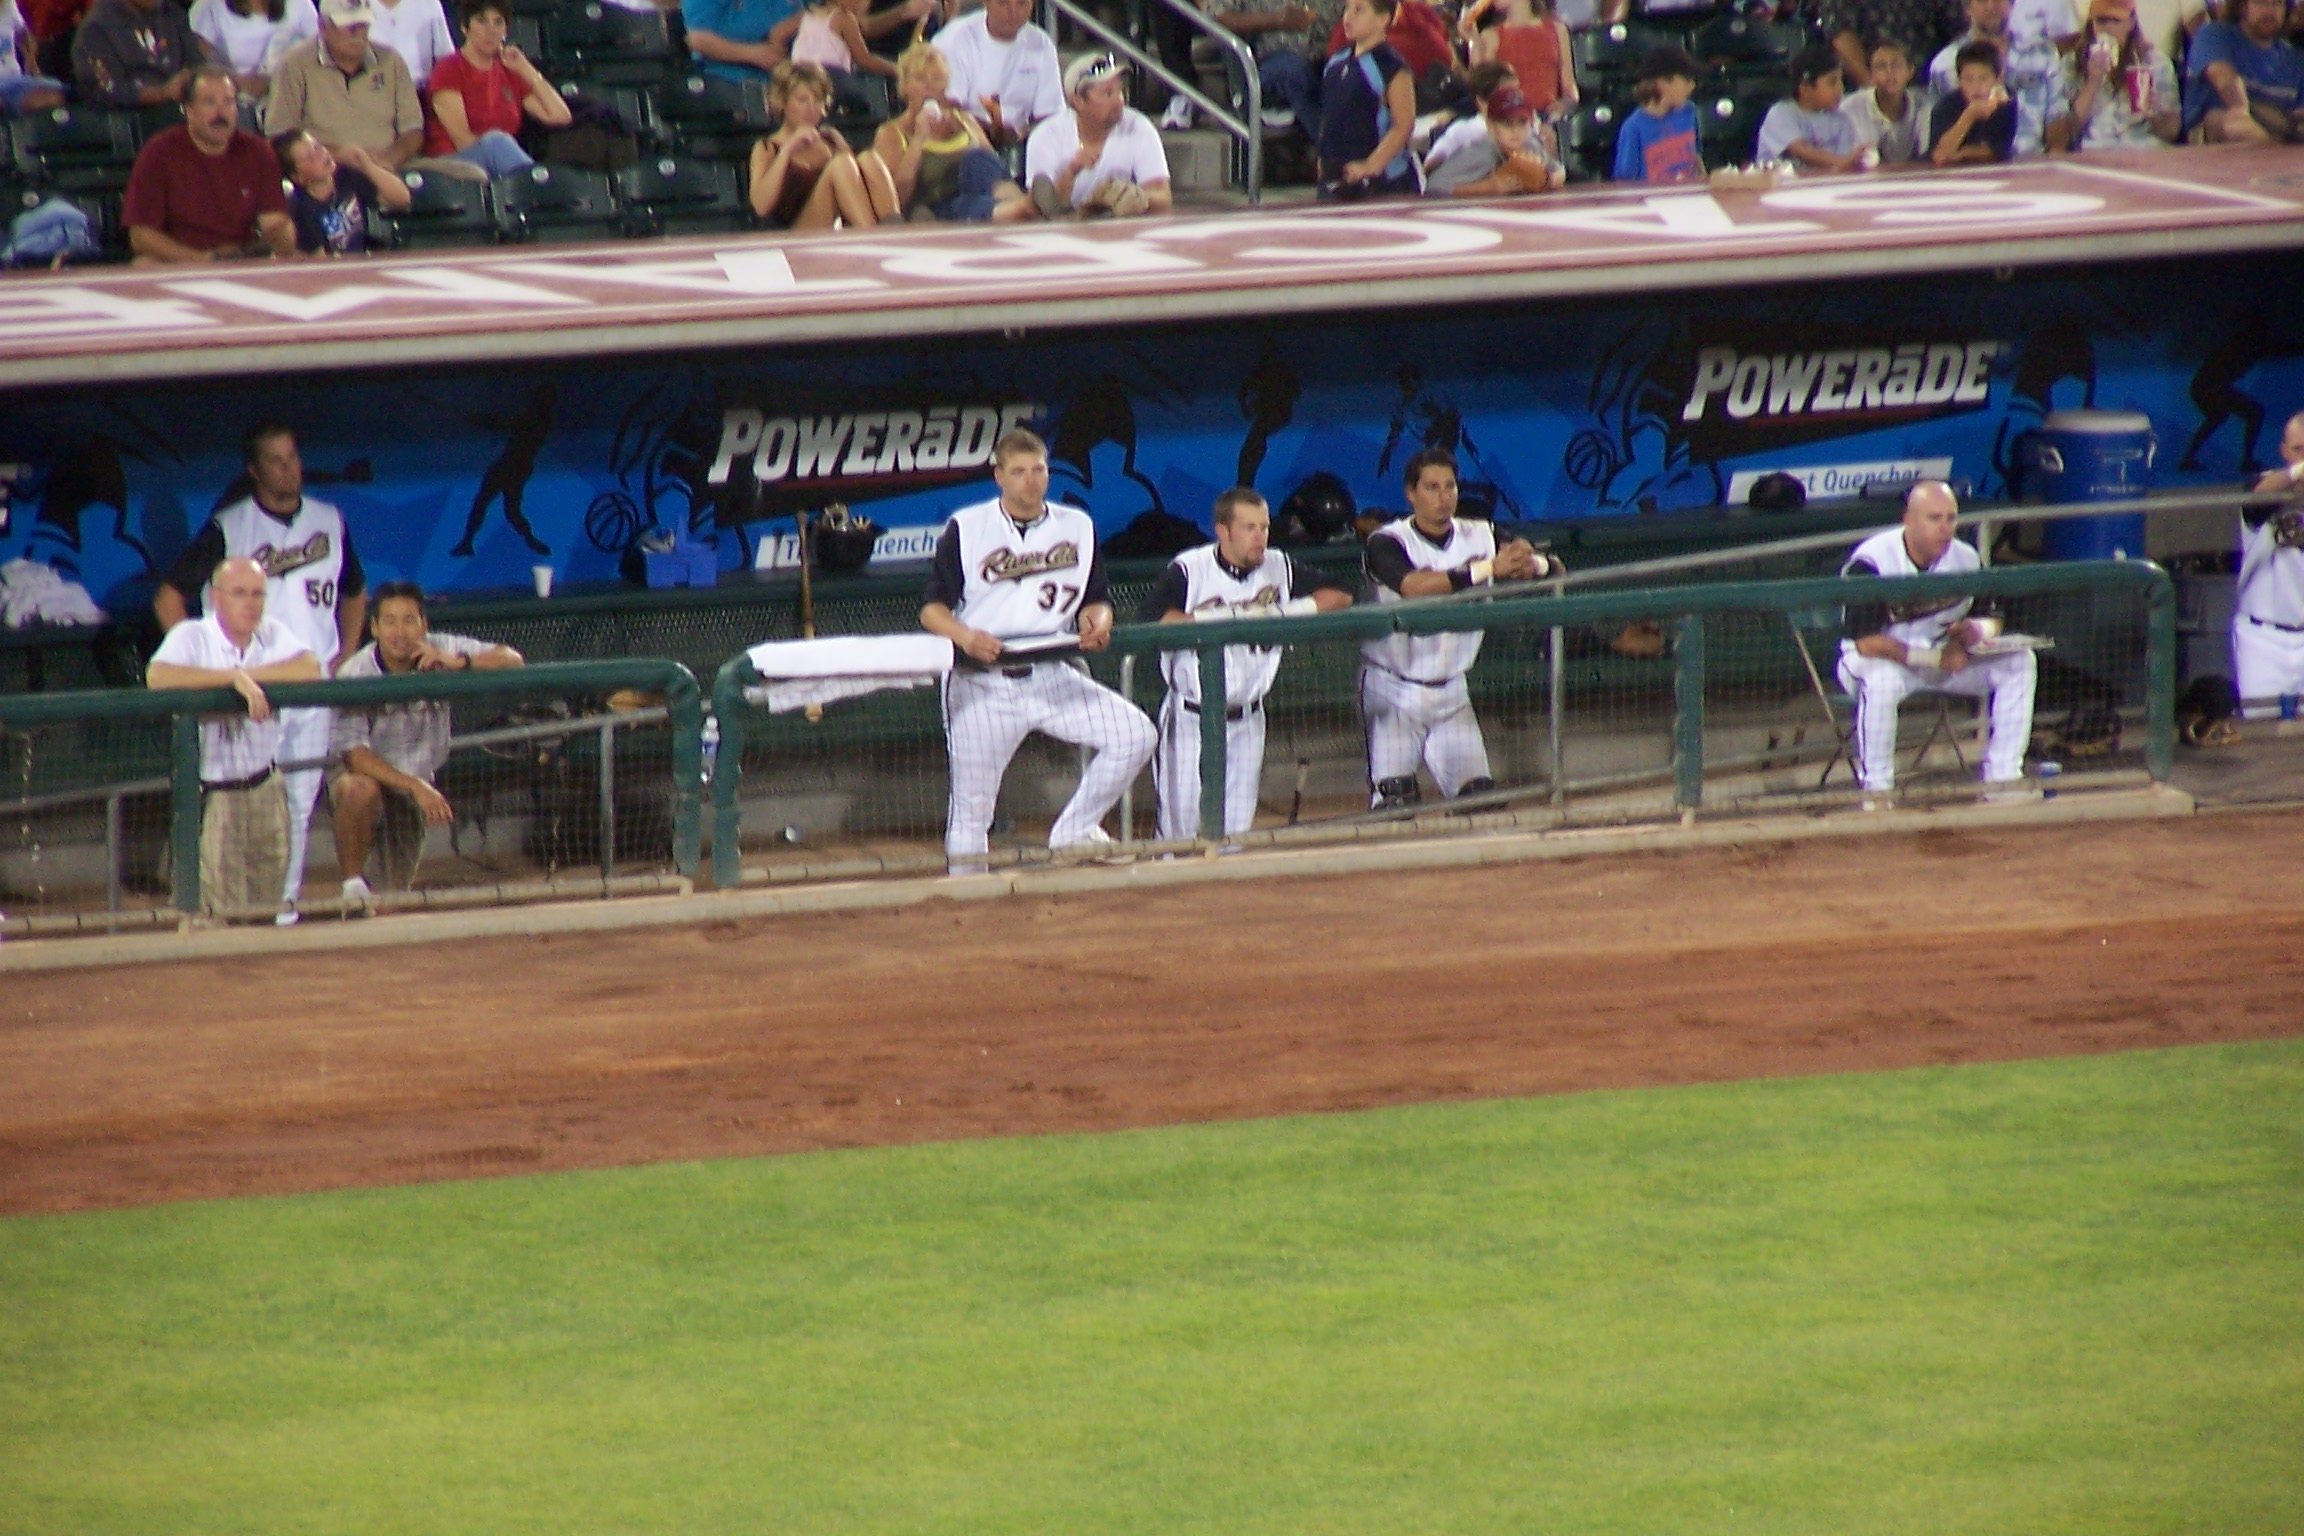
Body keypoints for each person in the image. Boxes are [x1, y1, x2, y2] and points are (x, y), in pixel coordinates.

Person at [919, 428, 1157, 874]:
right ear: (999, 477)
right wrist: (966, 636)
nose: (1031, 480)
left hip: (1052, 675)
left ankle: (1073, 831)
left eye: (1039, 470)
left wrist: (1099, 618)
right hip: (982, 684)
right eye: (1019, 472)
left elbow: (1097, 597)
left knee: (1135, 734)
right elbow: (931, 610)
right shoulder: (968, 528)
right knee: (973, 809)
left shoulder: (1077, 525)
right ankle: (968, 901)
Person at [156, 423, 368, 920]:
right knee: (230, 801)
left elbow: (355, 590)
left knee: (298, 801)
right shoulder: (229, 527)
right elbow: (169, 599)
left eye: (292, 457)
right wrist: (208, 656)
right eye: (275, 460)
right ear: (254, 470)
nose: (288, 468)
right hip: (246, 695)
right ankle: (219, 913)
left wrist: (346, 653)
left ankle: (281, 911)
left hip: (309, 686)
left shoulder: (330, 520)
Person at [1141, 487, 1351, 842]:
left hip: (1249, 720)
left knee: (1235, 832)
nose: (1260, 537)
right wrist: (1218, 619)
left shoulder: (1278, 565)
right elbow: (1152, 620)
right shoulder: (1191, 568)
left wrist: (1284, 612)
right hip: (1192, 717)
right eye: (1249, 528)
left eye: (1265, 527)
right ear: (1223, 531)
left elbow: (1341, 594)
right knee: (1180, 832)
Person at [1359, 448, 1558, 811]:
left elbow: (1551, 566)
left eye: (1450, 487)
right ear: (1411, 493)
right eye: (1432, 487)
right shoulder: (1386, 542)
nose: (1443, 497)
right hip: (1395, 692)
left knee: (1481, 803)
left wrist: (1532, 563)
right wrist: (1486, 569)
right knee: (1396, 806)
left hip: (1452, 693)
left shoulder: (1480, 533)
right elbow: (1413, 588)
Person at [1837, 480, 2036, 804]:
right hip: (1877, 663)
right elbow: (1866, 643)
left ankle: (2003, 780)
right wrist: (1934, 659)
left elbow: (1993, 617)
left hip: (1943, 660)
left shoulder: (1966, 558)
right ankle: (1877, 793)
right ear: (1909, 520)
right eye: (1934, 518)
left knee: (2019, 661)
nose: (1945, 528)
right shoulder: (1874, 560)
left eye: (1951, 518)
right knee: (1883, 681)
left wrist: (1974, 633)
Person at [146, 557, 322, 919]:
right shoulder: (192, 635)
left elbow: (310, 668)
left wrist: (245, 675)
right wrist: (230, 679)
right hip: (214, 797)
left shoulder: (272, 633)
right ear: (215, 597)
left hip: (266, 789)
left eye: (258, 593)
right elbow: (158, 677)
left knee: (266, 908)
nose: (251, 602)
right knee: (211, 916)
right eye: (240, 593)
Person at [327, 579, 522, 906]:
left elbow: (512, 659)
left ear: (424, 625)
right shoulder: (356, 672)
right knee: (357, 788)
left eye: (409, 620)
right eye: (389, 621)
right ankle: (351, 886)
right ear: (374, 627)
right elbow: (356, 757)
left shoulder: (439, 647)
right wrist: (416, 785)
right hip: (371, 776)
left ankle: (375, 912)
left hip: (412, 784)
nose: (400, 632)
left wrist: (460, 663)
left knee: (392, 897)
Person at [122, 65, 295, 263]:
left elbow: (274, 223)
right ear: (188, 110)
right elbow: (141, 237)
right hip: (179, 261)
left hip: (241, 260)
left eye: (229, 103)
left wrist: (279, 236)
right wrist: (201, 259)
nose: (221, 114)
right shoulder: (158, 152)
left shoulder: (258, 151)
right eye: (210, 103)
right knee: (144, 264)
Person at [860, 42, 1034, 222]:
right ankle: (1024, 207)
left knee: (976, 158)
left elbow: (992, 168)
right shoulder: (891, 132)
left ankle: (1017, 203)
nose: (929, 87)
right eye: (920, 79)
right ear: (905, 86)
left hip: (981, 195)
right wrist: (919, 139)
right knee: (969, 206)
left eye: (936, 79)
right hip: (938, 208)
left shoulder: (964, 120)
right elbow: (898, 197)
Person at [265, 0, 425, 172]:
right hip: (327, 172)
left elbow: (413, 129)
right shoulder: (294, 65)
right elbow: (280, 137)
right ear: (323, 27)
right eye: (348, 25)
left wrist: (392, 158)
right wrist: (335, 154)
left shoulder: (391, 61)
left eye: (363, 24)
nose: (357, 33)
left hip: (391, 171)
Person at [423, 0, 570, 179]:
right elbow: (462, 140)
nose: (490, 31)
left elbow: (560, 116)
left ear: (506, 30)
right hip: (453, 161)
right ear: (465, 28)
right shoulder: (449, 68)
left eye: (498, 22)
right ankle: (537, 187)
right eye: (481, 21)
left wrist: (527, 70)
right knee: (496, 141)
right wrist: (496, 153)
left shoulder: (510, 70)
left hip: (497, 160)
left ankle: (537, 188)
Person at [1023, 53, 1172, 220]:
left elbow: (1162, 196)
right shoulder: (1045, 136)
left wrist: (1138, 198)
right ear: (1078, 101)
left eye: (1120, 91)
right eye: (1108, 94)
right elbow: (1038, 207)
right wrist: (1071, 172)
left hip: (1121, 233)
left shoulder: (1139, 127)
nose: (1120, 101)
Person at [2230, 411, 2304, 717]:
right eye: (2299, 450)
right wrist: (2298, 474)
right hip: (2263, 640)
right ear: (2284, 451)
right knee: (2261, 738)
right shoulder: (2265, 487)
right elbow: (2260, 496)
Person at [749, 59, 880, 227]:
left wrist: (842, 147)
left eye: (817, 101)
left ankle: (893, 226)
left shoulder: (829, 141)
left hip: (837, 224)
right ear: (783, 102)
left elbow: (858, 191)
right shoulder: (767, 148)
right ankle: (872, 236)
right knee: (840, 164)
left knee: (869, 158)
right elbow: (760, 207)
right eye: (802, 100)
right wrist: (787, 150)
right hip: (794, 231)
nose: (811, 109)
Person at [1928, 0, 2060, 152]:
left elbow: (2057, 116)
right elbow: (1936, 139)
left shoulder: (2043, 53)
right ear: (1967, 8)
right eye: (1982, 1)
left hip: (2033, 164)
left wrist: (2054, 161)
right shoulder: (1944, 65)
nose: (1991, 6)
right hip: (1970, 168)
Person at [1318, 0, 1419, 199]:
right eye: (1346, 8)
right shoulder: (1335, 62)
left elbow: (1404, 124)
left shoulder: (1391, 67)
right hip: (1336, 181)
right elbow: (1330, 116)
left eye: (1359, 10)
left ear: (1382, 19)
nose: (1348, 17)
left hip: (1381, 184)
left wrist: (1371, 165)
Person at [2046, 0, 2178, 147]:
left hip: (2142, 147)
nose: (2108, 28)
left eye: (2115, 20)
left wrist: (2155, 112)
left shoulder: (2154, 62)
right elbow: (2068, 133)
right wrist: (2093, 82)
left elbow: (2172, 131)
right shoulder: (2072, 63)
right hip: (2094, 149)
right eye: (2101, 21)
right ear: (2091, 24)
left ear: (2131, 23)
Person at [935, 0, 1061, 145]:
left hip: (1021, 145)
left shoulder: (1042, 44)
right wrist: (993, 131)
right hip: (962, 143)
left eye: (1022, 4)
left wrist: (1020, 135)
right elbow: (947, 109)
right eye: (1003, 3)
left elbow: (1049, 116)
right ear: (986, 2)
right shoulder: (955, 38)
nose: (1013, 12)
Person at [1201, 0, 1332, 136]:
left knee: (1345, 73)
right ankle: (1336, 153)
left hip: (1325, 52)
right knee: (1293, 71)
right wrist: (1277, 20)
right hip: (1265, 62)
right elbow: (1218, 17)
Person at [275, 126, 409, 253]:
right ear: (298, 177)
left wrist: (366, 165)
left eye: (318, 147)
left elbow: (402, 199)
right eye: (310, 157)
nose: (321, 155)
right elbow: (319, 261)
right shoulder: (300, 209)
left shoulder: (346, 175)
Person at [2184, 0, 2304, 141]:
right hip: (2213, 135)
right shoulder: (2214, 34)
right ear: (2242, 6)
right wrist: (2260, 116)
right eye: (2261, 3)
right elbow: (2226, 82)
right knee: (2235, 124)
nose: (2269, 11)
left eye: (2277, 3)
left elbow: (2298, 117)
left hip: (2280, 135)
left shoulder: (2296, 58)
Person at [1422, 83, 1562, 194]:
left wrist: (1548, 179)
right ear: (1490, 125)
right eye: (1507, 124)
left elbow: (1559, 171)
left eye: (1522, 123)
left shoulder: (1530, 145)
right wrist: (1485, 188)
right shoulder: (1481, 153)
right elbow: (1434, 185)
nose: (1515, 131)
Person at [72, 0, 205, 107]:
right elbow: (105, 90)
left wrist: (189, 80)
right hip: (131, 121)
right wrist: (162, 93)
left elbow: (196, 64)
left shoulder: (172, 14)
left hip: (179, 113)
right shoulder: (96, 28)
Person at [1759, 45, 1869, 168]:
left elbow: (1844, 159)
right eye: (1832, 82)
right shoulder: (1780, 114)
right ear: (1805, 89)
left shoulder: (1841, 119)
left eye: (1841, 81)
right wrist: (1843, 163)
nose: (1840, 89)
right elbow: (1800, 151)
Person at [1458, 0, 1574, 117]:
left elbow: (1570, 88)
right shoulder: (1490, 36)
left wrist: (1563, 105)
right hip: (1509, 117)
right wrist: (1473, 41)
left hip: (1547, 117)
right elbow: (1482, 88)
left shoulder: (1557, 29)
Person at [189, 0, 318, 103]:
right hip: (235, 96)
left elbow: (319, 48)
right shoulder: (209, 6)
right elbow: (198, 65)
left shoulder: (299, 4)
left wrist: (277, 83)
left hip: (289, 91)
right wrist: (240, 83)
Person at [1820, 0, 1967, 86]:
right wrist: (1874, 88)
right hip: (1867, 92)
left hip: (1930, 86)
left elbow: (1958, 29)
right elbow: (1841, 34)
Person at [1611, 43, 1701, 182]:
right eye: (1686, 80)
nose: (1692, 86)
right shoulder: (1633, 128)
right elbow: (1624, 181)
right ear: (1663, 83)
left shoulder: (1689, 112)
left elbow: (1697, 159)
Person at [1840, 35, 1935, 161]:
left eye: (1896, 65)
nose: (1889, 72)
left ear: (1910, 71)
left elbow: (1926, 155)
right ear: (1871, 74)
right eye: (1881, 66)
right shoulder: (1850, 109)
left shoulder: (1924, 104)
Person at [1930, 37, 2020, 158]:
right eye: (1968, 79)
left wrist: (1963, 153)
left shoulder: (2006, 102)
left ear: (1998, 79)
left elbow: (1999, 149)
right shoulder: (1945, 107)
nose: (1976, 87)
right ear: (1959, 80)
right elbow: (1940, 155)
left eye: (1983, 79)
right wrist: (1969, 116)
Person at [684, 0, 802, 83]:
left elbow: (817, 12)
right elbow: (696, 39)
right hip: (722, 80)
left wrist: (787, 28)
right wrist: (754, 54)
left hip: (786, 82)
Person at [786, 0, 895, 76]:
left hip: (799, 75)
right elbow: (863, 59)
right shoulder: (844, 18)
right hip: (832, 79)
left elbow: (777, 34)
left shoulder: (806, 15)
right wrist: (896, 69)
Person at [0, 0, 68, 112]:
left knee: (56, 96)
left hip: (16, 81)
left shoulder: (7, 5)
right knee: (36, 103)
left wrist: (31, 61)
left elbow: (23, 33)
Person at [364, 0, 451, 82]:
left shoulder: (428, 3)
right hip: (370, 91)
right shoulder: (357, 5)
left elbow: (446, 60)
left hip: (421, 91)